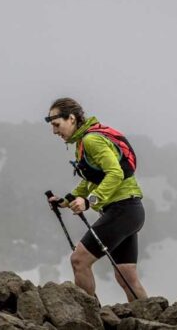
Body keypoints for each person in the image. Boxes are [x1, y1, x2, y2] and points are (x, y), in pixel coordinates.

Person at [46, 97, 148, 302]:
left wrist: (89, 201)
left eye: (57, 125)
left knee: (79, 260)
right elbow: (91, 180)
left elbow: (115, 173)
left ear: (72, 119)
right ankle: (151, 321)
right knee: (126, 275)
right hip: (130, 211)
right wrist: (66, 200)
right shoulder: (84, 141)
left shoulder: (91, 140)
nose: (54, 131)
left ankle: (89, 319)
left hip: (122, 210)